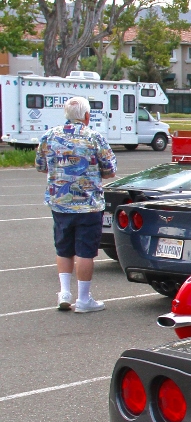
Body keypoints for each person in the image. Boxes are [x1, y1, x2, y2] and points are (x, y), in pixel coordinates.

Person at [35, 96, 116, 313]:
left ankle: (64, 293)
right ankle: (83, 299)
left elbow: (41, 165)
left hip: (60, 203)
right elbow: (110, 170)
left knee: (63, 248)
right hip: (88, 204)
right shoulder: (95, 138)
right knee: (85, 252)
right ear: (87, 116)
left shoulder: (49, 136)